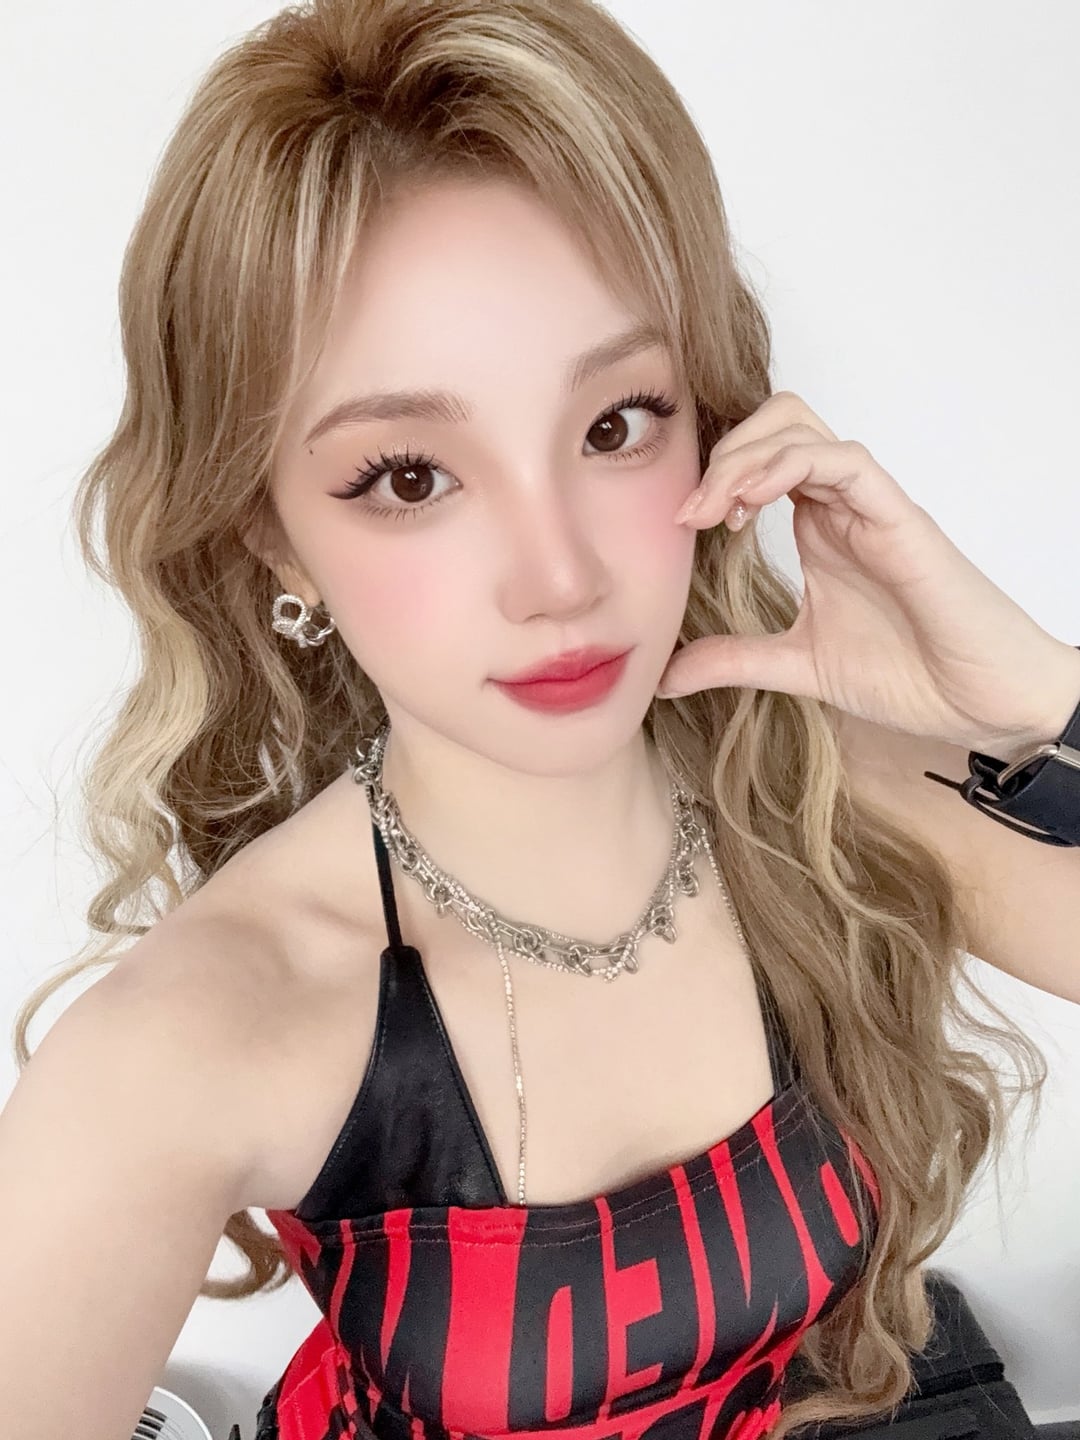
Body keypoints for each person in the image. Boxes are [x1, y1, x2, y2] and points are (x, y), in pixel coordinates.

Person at [4, 2, 1079, 1439]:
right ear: (269, 534)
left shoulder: (814, 782)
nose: (562, 578)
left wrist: (1038, 693)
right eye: (408, 477)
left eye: (616, 424)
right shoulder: (193, 1038)